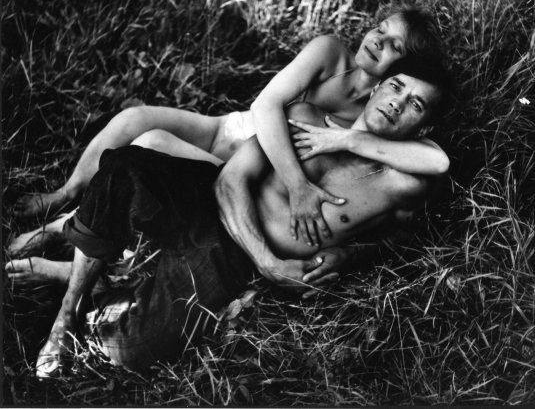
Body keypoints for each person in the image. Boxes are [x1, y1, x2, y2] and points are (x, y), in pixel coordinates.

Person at [28, 59, 452, 377]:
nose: (397, 103)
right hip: (211, 205)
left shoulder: (403, 185)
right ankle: (66, 314)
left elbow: (404, 229)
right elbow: (230, 182)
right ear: (376, 87)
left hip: (231, 262)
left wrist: (350, 254)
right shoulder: (305, 118)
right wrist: (269, 262)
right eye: (395, 86)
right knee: (124, 168)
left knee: (128, 352)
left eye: (415, 104)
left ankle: (105, 285)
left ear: (424, 129)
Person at [13, 6, 448, 247]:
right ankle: (67, 191)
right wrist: (297, 184)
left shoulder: (382, 118)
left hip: (248, 167)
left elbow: (430, 159)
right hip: (236, 129)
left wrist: (349, 140)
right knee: (134, 118)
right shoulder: (330, 54)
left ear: (407, 69)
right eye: (379, 29)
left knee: (150, 146)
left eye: (394, 46)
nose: (377, 41)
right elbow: (266, 104)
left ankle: (67, 228)